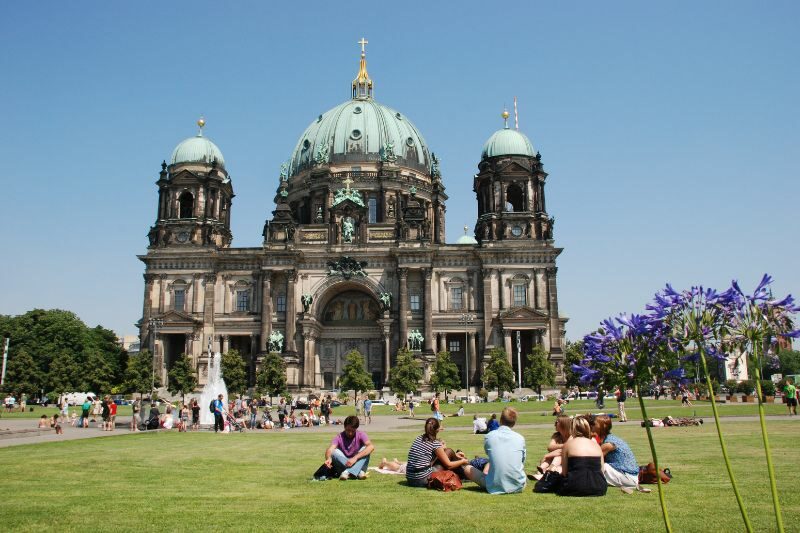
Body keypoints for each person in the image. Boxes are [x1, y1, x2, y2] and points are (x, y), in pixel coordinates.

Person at [464, 407, 527, 494]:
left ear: (500, 420)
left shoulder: (490, 436)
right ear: (514, 422)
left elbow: (490, 455)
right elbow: (522, 461)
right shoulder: (520, 438)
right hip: (518, 486)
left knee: (467, 468)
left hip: (494, 485)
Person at [405, 418, 470, 487]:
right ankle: (466, 474)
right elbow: (449, 465)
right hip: (422, 479)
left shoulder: (418, 438)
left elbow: (430, 459)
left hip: (410, 479)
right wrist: (463, 461)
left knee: (448, 452)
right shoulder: (435, 443)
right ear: (437, 429)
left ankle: (464, 472)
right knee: (449, 451)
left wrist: (455, 455)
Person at [558, 415, 606, 497]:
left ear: (572, 429)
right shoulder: (597, 446)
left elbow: (565, 472)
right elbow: (602, 470)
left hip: (574, 487)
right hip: (599, 487)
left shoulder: (568, 445)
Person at [593, 415, 643, 493]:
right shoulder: (611, 438)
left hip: (628, 477)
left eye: (594, 424)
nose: (592, 426)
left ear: (603, 427)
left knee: (597, 466)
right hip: (629, 476)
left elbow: (593, 458)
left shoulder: (608, 443)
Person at [324, 415, 374, 480]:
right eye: (348, 430)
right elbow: (330, 449)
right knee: (334, 452)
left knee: (367, 448)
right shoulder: (339, 437)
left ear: (356, 429)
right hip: (345, 464)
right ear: (344, 427)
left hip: (356, 463)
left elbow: (371, 447)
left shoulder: (361, 435)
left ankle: (347, 472)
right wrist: (328, 458)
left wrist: (355, 458)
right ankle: (358, 472)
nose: (350, 433)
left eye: (352, 431)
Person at [531, 415, 573, 480]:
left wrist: (547, 455)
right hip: (555, 460)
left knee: (558, 456)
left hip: (567, 460)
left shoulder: (572, 436)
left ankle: (545, 472)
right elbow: (550, 447)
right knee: (553, 456)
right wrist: (563, 446)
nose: (554, 425)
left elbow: (566, 450)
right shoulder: (556, 435)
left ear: (563, 423)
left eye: (556, 422)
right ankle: (541, 470)